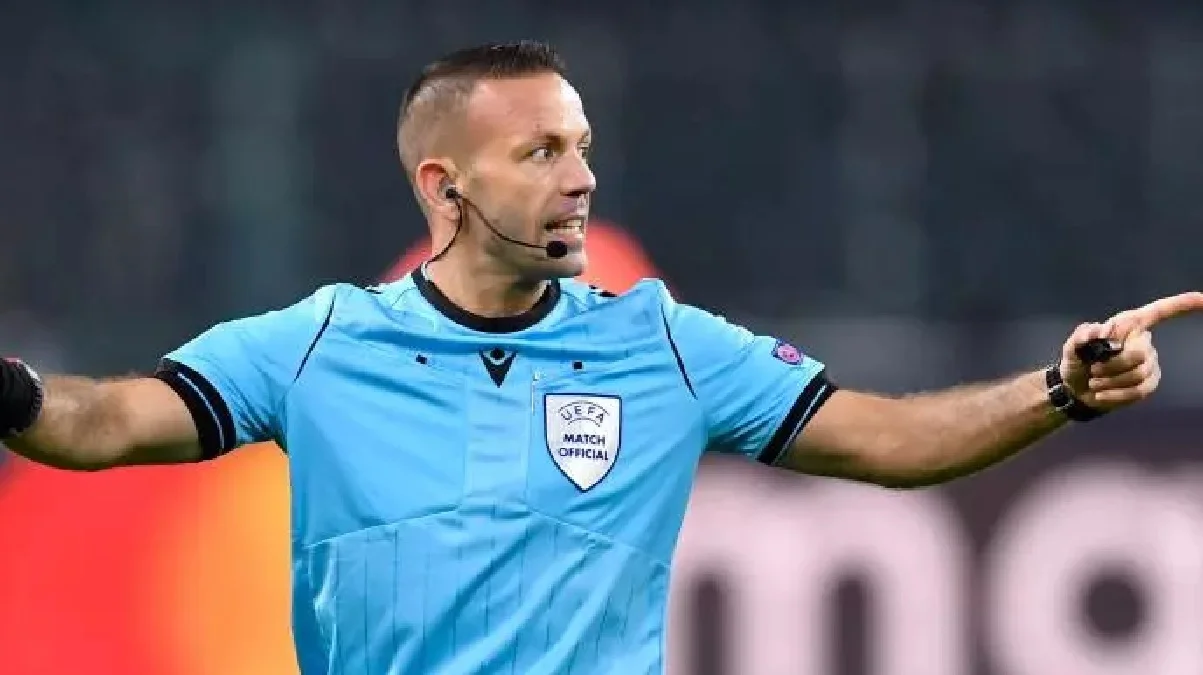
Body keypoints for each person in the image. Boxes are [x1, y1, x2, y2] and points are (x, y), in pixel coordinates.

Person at [2, 40, 1200, 675]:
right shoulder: (319, 345)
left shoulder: (662, 344)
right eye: (540, 153)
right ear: (445, 187)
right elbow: (105, 421)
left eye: (581, 146)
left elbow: (890, 438)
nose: (581, 178)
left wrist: (1061, 391)